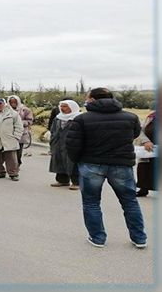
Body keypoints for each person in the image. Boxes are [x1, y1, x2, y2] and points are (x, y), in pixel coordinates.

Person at [66, 87, 147, 249]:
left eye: (88, 97)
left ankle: (98, 238)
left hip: (91, 164)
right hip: (121, 164)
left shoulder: (82, 119)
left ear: (93, 100)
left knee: (91, 202)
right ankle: (139, 238)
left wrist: (77, 161)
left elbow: (72, 144)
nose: (86, 100)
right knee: (129, 202)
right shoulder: (130, 117)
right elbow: (135, 134)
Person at [48, 100, 81, 190]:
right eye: (61, 106)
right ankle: (62, 180)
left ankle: (76, 182)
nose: (62, 108)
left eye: (65, 106)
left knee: (72, 163)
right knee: (59, 160)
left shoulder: (78, 118)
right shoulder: (58, 118)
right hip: (58, 143)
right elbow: (53, 130)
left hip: (72, 144)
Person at [7, 95, 34, 167]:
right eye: (11, 102)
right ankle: (12, 165)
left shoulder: (25, 110)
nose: (13, 104)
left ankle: (18, 163)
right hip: (9, 133)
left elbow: (29, 121)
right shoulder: (6, 110)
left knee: (18, 150)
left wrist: (19, 123)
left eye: (14, 102)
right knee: (10, 151)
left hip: (20, 134)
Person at [135, 111, 156, 197]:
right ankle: (143, 188)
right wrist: (145, 141)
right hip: (149, 146)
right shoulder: (152, 116)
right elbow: (141, 131)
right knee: (144, 168)